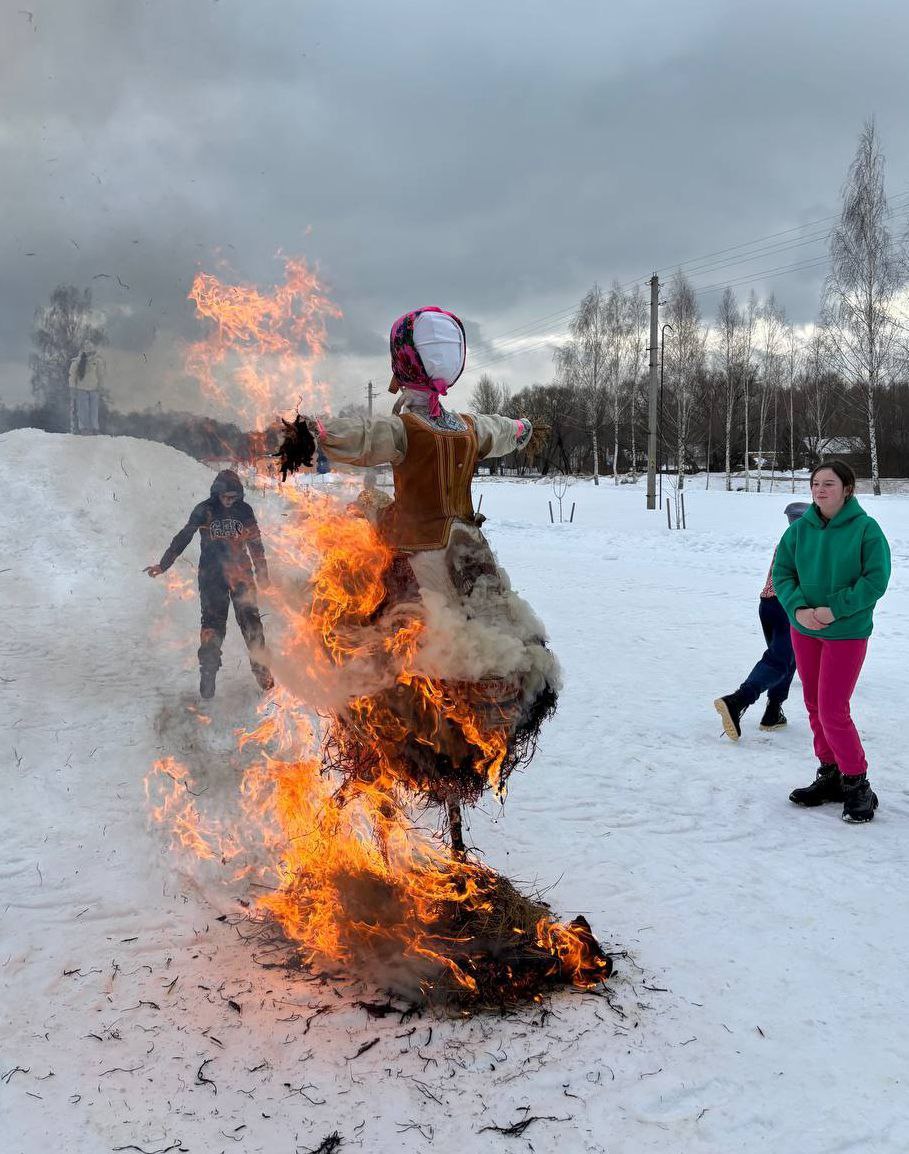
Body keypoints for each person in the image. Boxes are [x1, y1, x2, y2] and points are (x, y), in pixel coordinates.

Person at [275, 305, 559, 855]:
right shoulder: (468, 428)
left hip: (419, 558)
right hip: (470, 557)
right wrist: (526, 430)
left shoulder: (407, 429)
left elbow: (366, 437)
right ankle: (441, 776)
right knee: (488, 644)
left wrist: (314, 434)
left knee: (384, 645)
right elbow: (504, 431)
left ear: (402, 363)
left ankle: (384, 759)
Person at [773, 460, 890, 823]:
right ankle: (830, 774)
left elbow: (875, 580)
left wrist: (834, 609)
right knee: (813, 704)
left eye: (829, 484)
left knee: (832, 708)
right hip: (805, 630)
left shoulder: (866, 529)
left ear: (847, 489)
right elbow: (782, 573)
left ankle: (857, 784)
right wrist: (799, 609)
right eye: (815, 484)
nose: (820, 490)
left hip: (846, 632)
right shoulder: (798, 531)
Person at [145, 469, 274, 700]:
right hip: (212, 576)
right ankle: (208, 673)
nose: (229, 501)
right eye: (225, 496)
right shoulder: (204, 509)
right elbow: (184, 536)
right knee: (212, 625)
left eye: (233, 497)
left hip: (241, 575)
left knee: (252, 623)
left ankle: (262, 672)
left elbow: (255, 543)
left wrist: (262, 572)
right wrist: (164, 564)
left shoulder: (244, 510)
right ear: (217, 493)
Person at [714, 501, 809, 740]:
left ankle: (773, 712)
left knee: (787, 659)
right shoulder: (809, 543)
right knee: (779, 660)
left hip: (767, 605)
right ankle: (738, 700)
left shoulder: (785, 540)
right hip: (789, 607)